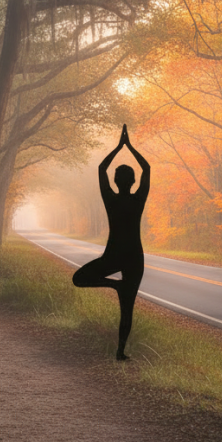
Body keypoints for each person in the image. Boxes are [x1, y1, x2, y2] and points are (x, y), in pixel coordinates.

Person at [72, 125, 150, 361]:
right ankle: (120, 351)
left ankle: (114, 285)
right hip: (134, 257)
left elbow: (101, 167)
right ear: (133, 180)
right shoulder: (138, 199)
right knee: (128, 308)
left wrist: (118, 147)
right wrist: (130, 147)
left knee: (80, 278)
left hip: (114, 254)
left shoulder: (111, 199)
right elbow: (146, 167)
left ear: (116, 181)